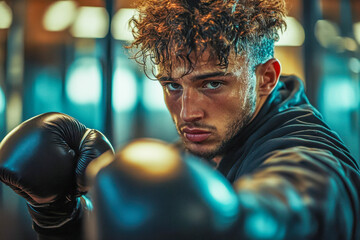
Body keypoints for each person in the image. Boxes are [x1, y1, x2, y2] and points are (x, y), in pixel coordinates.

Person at [0, 0, 359, 239]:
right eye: (172, 85)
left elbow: (301, 203)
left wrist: (241, 224)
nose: (188, 112)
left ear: (265, 78)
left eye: (213, 83)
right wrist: (60, 215)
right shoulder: (198, 146)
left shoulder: (311, 156)